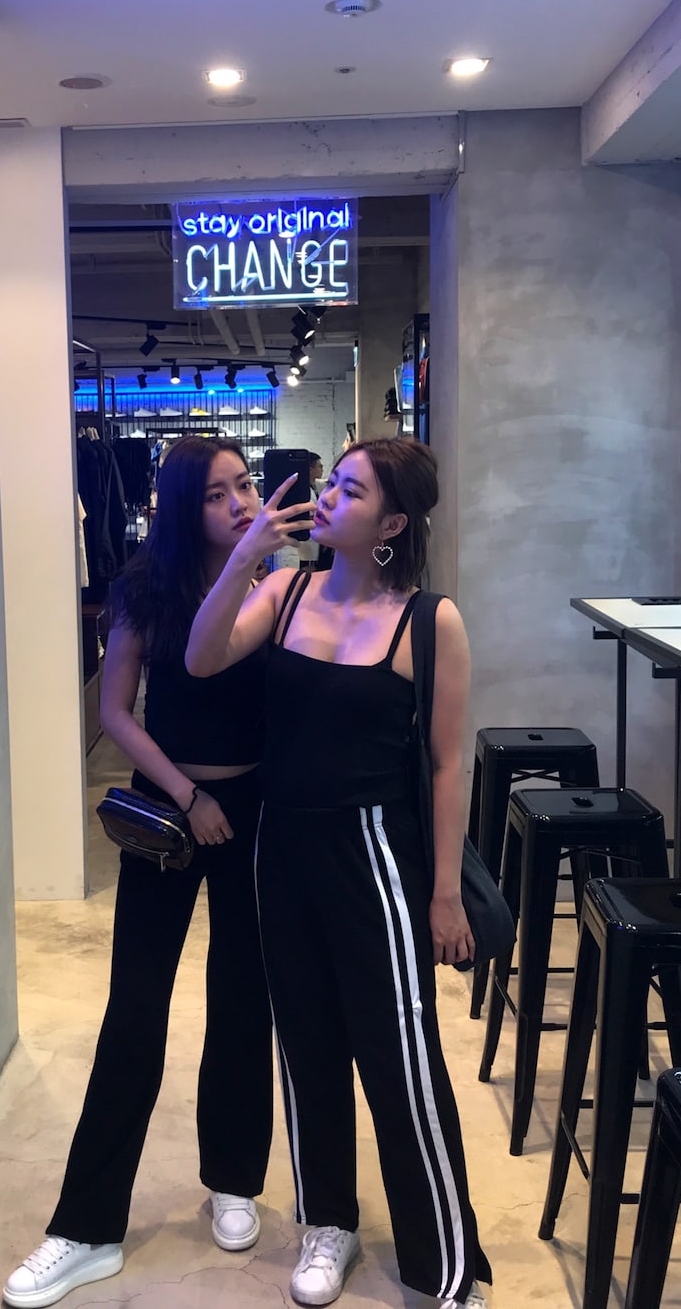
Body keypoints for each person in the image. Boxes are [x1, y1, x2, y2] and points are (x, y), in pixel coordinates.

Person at [185, 437, 491, 1309]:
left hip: (376, 854)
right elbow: (201, 658)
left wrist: (443, 894)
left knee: (400, 1057)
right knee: (307, 1044)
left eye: (351, 491)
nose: (326, 498)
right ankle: (329, 1221)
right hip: (280, 847)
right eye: (334, 483)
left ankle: (446, 1260)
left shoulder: (429, 621)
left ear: (391, 524)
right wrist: (245, 558)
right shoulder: (283, 591)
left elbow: (446, 765)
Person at [3, 437, 274, 1308]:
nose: (239, 502)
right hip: (171, 809)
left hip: (256, 811)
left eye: (244, 485)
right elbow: (116, 712)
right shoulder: (143, 589)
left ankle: (233, 1179)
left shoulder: (271, 582)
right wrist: (189, 794)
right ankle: (86, 1227)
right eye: (218, 493)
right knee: (134, 1009)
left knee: (245, 1000)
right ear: (185, 505)